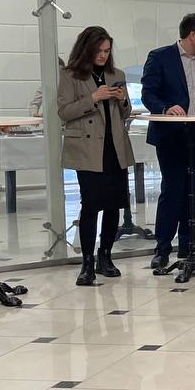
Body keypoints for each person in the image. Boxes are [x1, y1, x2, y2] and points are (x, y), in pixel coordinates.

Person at [57, 26, 133, 286]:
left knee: (114, 204)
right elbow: (64, 112)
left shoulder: (117, 74)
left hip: (114, 148)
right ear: (86, 49)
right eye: (98, 51)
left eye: (107, 51)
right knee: (90, 204)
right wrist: (94, 97)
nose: (103, 55)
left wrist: (122, 99)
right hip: (88, 149)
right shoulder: (70, 75)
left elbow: (126, 113)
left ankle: (105, 256)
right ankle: (87, 262)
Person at [141, 14, 195, 273]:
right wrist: (165, 108)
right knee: (173, 189)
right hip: (172, 134)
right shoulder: (160, 57)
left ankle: (189, 244)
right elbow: (148, 93)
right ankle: (162, 248)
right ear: (192, 35)